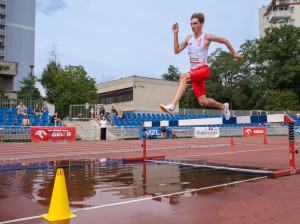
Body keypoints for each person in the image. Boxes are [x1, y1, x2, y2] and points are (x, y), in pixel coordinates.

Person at [160, 13, 244, 120]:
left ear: (202, 24)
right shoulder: (188, 39)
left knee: (183, 77)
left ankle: (172, 106)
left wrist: (235, 54)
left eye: (195, 23)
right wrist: (175, 34)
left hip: (203, 71)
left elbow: (225, 41)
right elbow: (176, 50)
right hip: (194, 73)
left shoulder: (206, 37)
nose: (193, 26)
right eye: (191, 24)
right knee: (202, 101)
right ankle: (223, 106)